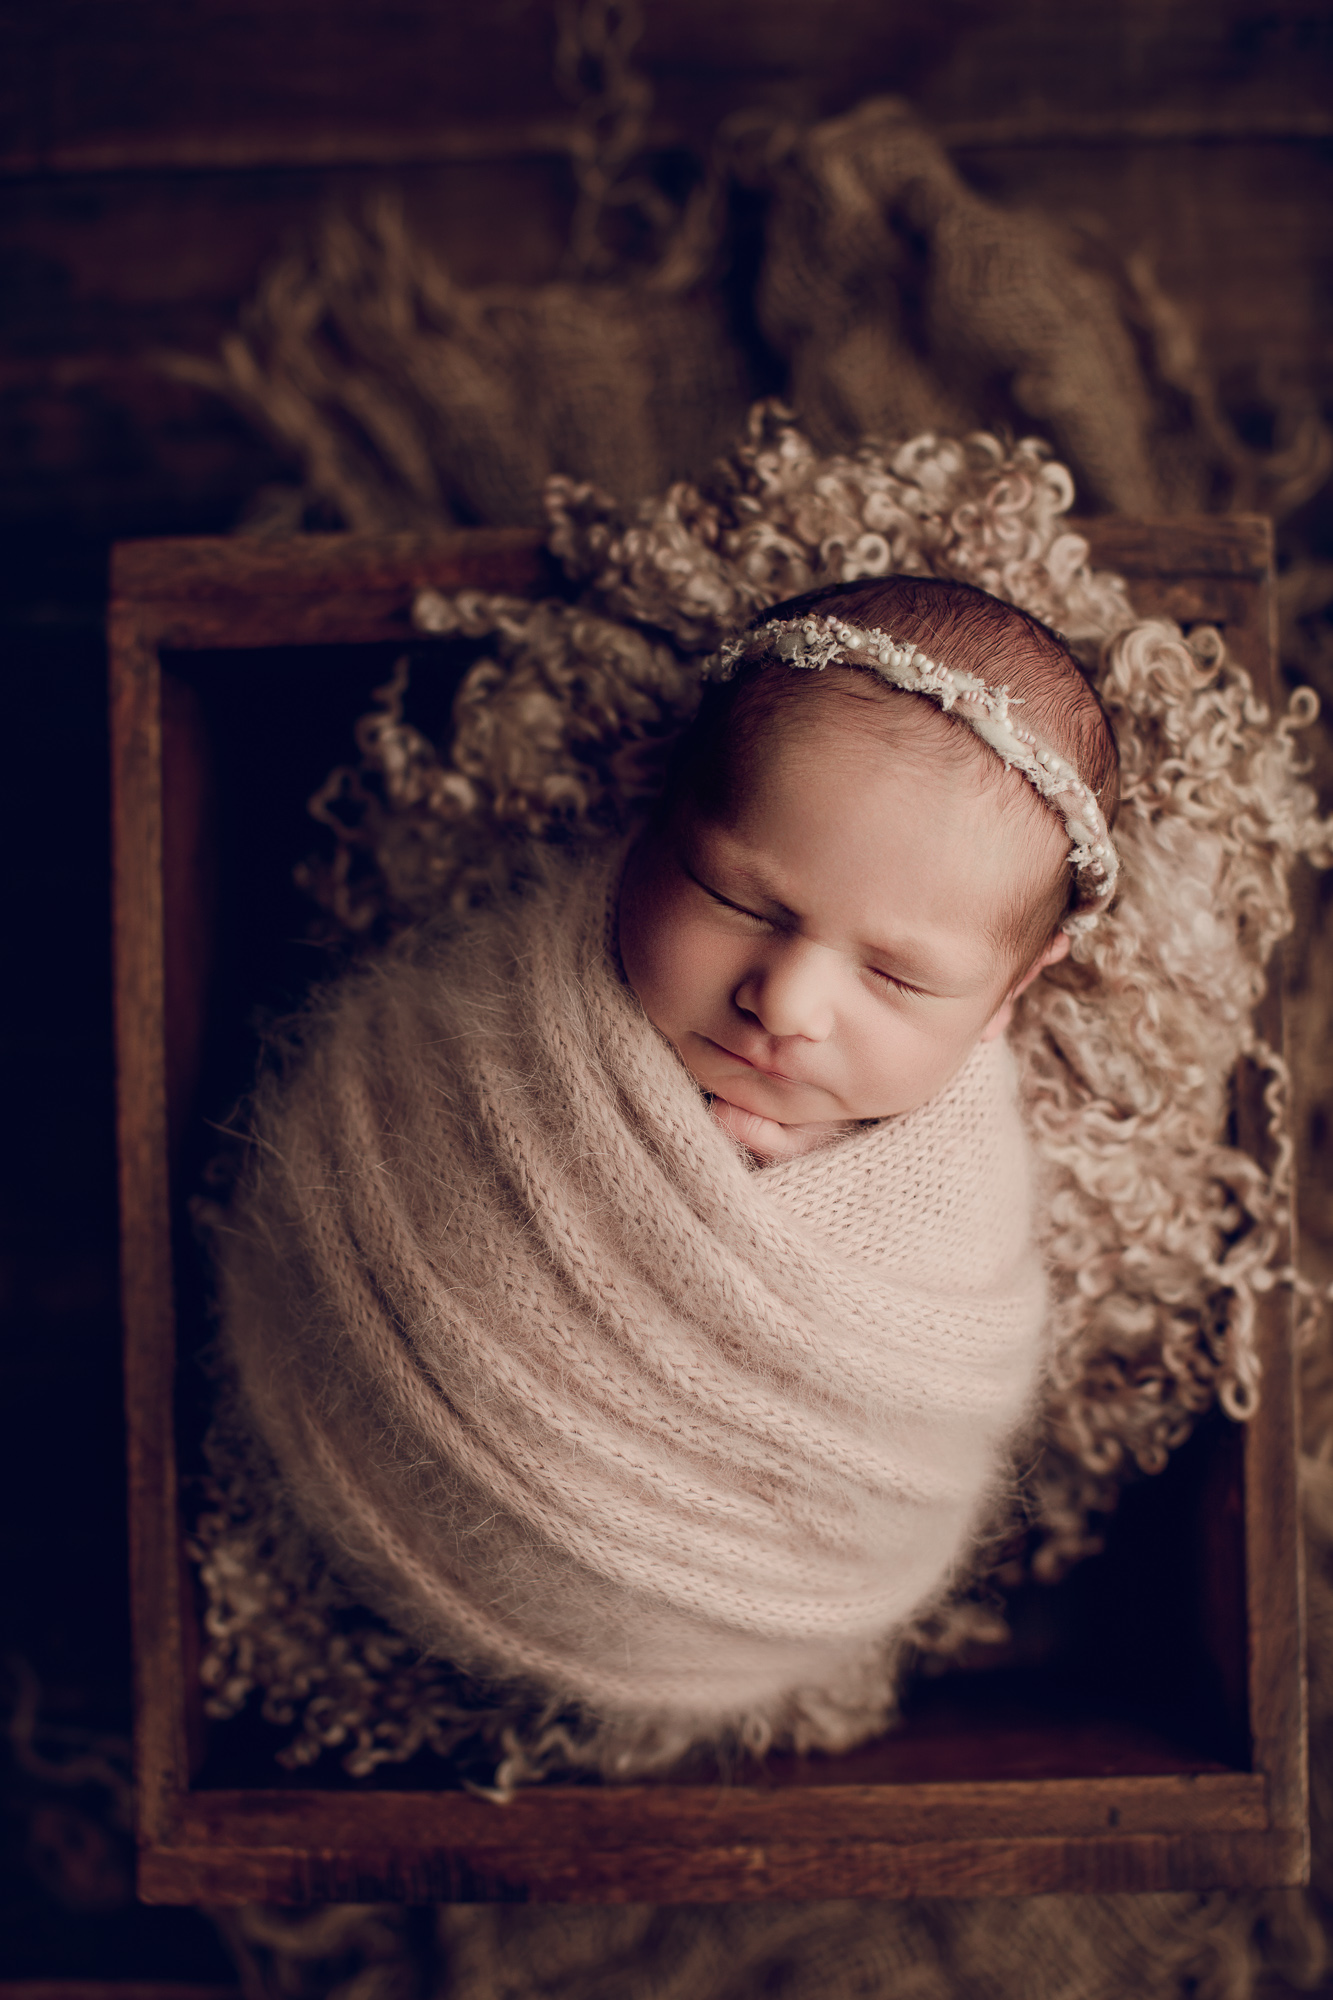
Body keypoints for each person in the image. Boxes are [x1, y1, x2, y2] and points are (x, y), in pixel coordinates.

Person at [214, 573, 1121, 1767]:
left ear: (1014, 987)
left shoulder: (952, 1197)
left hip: (729, 1589)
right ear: (651, 809)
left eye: (897, 978)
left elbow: (947, 1383)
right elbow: (383, 1105)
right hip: (378, 1409)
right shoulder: (522, 1003)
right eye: (735, 895)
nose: (786, 1001)